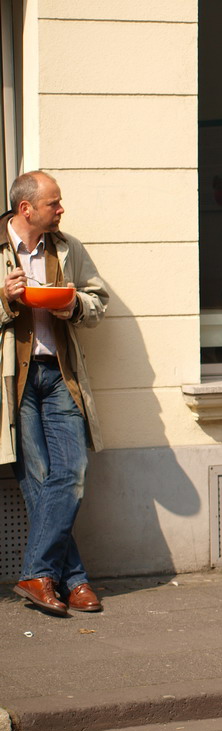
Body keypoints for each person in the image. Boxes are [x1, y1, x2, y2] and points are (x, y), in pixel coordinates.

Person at [1, 171, 110, 616]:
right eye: (54, 203)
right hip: (17, 380)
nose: (61, 210)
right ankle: (73, 579)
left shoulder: (66, 248)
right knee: (39, 481)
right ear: (26, 208)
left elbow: (99, 301)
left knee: (73, 473)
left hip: (60, 374)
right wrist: (4, 299)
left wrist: (72, 305)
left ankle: (37, 575)